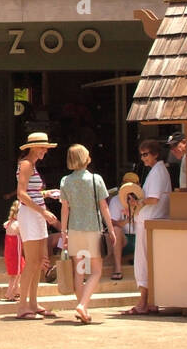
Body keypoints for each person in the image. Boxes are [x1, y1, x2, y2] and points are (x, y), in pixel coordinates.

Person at [59, 144, 116, 325]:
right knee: (97, 270)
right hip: (92, 229)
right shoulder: (95, 179)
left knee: (79, 271)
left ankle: (81, 307)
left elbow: (65, 208)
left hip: (74, 229)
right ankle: (83, 305)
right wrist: (111, 229)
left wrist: (63, 231)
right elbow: (104, 206)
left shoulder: (65, 181)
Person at [15, 132, 60, 319]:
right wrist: (42, 211)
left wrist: (47, 194)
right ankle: (23, 305)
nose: (44, 151)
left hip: (36, 214)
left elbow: (30, 193)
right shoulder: (26, 164)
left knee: (38, 262)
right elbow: (21, 194)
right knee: (32, 261)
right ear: (33, 147)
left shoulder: (31, 165)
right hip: (31, 215)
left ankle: (32, 303)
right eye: (42, 147)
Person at [123, 139, 170, 315]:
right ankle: (149, 301)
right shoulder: (157, 171)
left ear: (155, 154)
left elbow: (153, 198)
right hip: (148, 220)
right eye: (141, 155)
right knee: (147, 261)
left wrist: (138, 202)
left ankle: (143, 302)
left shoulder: (158, 172)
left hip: (149, 220)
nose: (143, 158)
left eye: (146, 154)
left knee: (143, 262)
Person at [106, 170, 140, 280]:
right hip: (124, 239)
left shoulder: (143, 200)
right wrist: (128, 217)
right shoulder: (116, 200)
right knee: (116, 230)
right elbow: (112, 223)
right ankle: (117, 268)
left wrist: (136, 207)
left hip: (140, 237)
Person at [3, 201, 23, 301]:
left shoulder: (8, 223)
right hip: (16, 252)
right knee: (15, 274)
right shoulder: (18, 225)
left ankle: (16, 289)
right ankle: (9, 293)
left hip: (9, 252)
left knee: (17, 272)